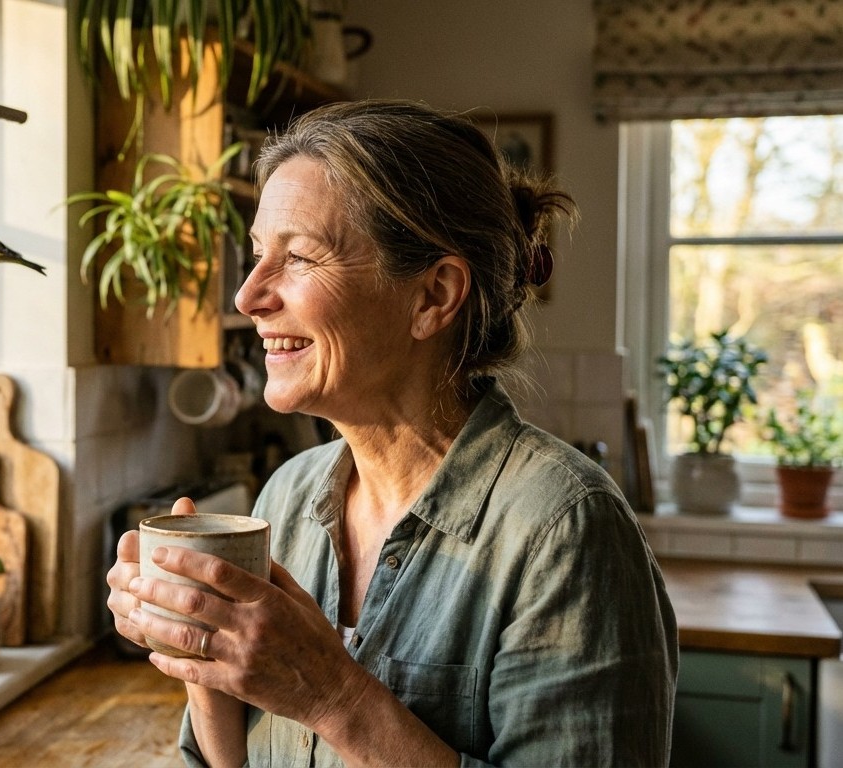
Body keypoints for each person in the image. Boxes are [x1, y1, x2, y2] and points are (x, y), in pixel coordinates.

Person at [105, 100, 678, 767]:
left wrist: (331, 695)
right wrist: (197, 650)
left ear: (432, 296)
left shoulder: (564, 531)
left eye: (298, 258)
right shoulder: (286, 497)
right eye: (257, 255)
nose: (249, 296)